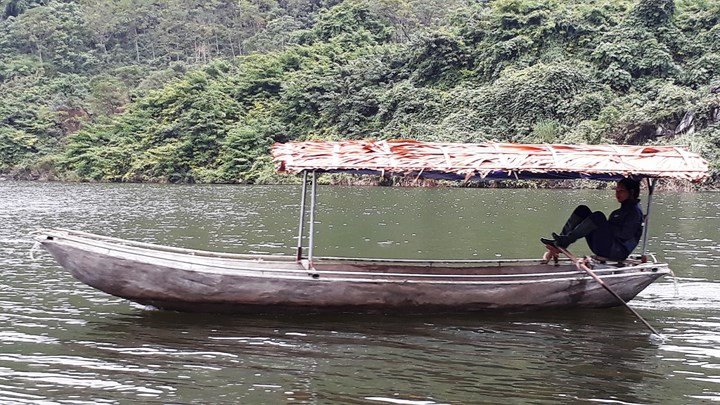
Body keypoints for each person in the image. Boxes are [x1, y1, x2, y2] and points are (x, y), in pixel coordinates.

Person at [541, 178, 644, 262]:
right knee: (582, 210)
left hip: (616, 252)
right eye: (616, 191)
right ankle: (562, 240)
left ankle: (565, 240)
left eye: (621, 191)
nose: (617, 194)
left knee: (598, 216)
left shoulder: (634, 212)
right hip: (606, 246)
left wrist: (604, 226)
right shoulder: (620, 211)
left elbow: (625, 234)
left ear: (632, 192)